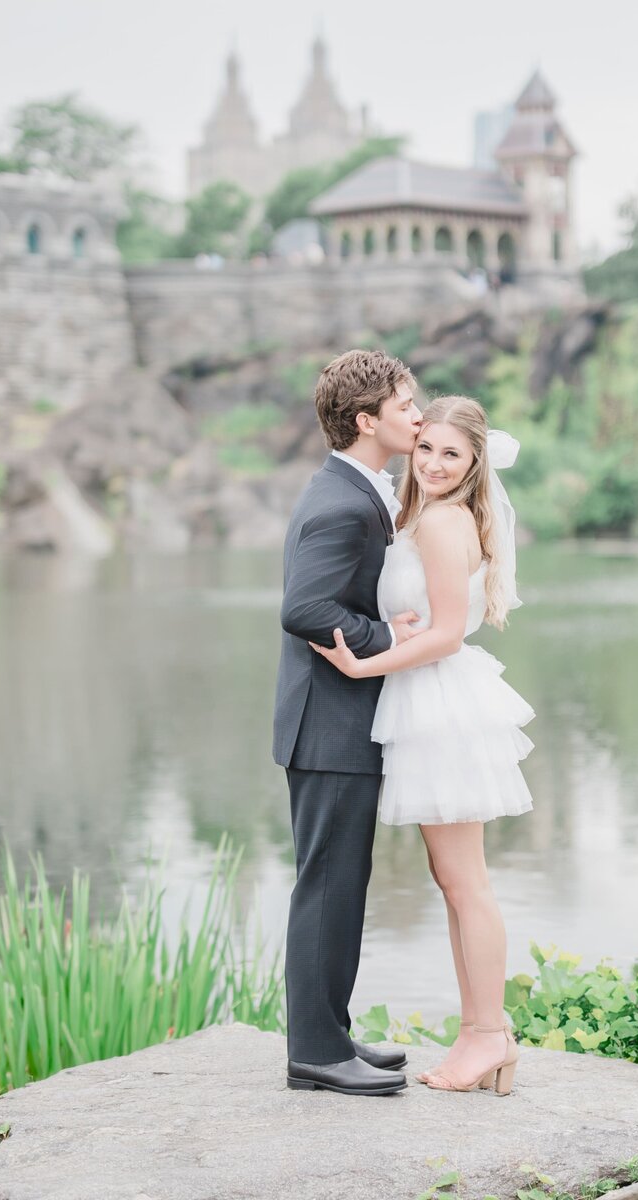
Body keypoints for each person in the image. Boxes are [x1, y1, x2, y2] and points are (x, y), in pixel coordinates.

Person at [310, 395, 535, 1095]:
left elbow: (446, 633)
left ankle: (487, 1035)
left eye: (452, 454)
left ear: (474, 465)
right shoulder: (420, 517)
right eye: (428, 447)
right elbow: (425, 619)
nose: (434, 463)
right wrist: (393, 627)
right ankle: (480, 1033)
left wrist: (361, 663)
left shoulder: (441, 521)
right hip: (428, 698)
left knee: (465, 881)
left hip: (440, 703)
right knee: (453, 879)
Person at [273, 348, 423, 1096]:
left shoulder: (354, 487)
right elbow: (304, 609)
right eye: (406, 407)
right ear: (367, 421)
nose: (418, 416)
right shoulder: (340, 500)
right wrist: (388, 637)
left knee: (340, 882)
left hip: (337, 724)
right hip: (329, 725)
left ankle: (329, 1032)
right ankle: (315, 1052)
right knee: (327, 884)